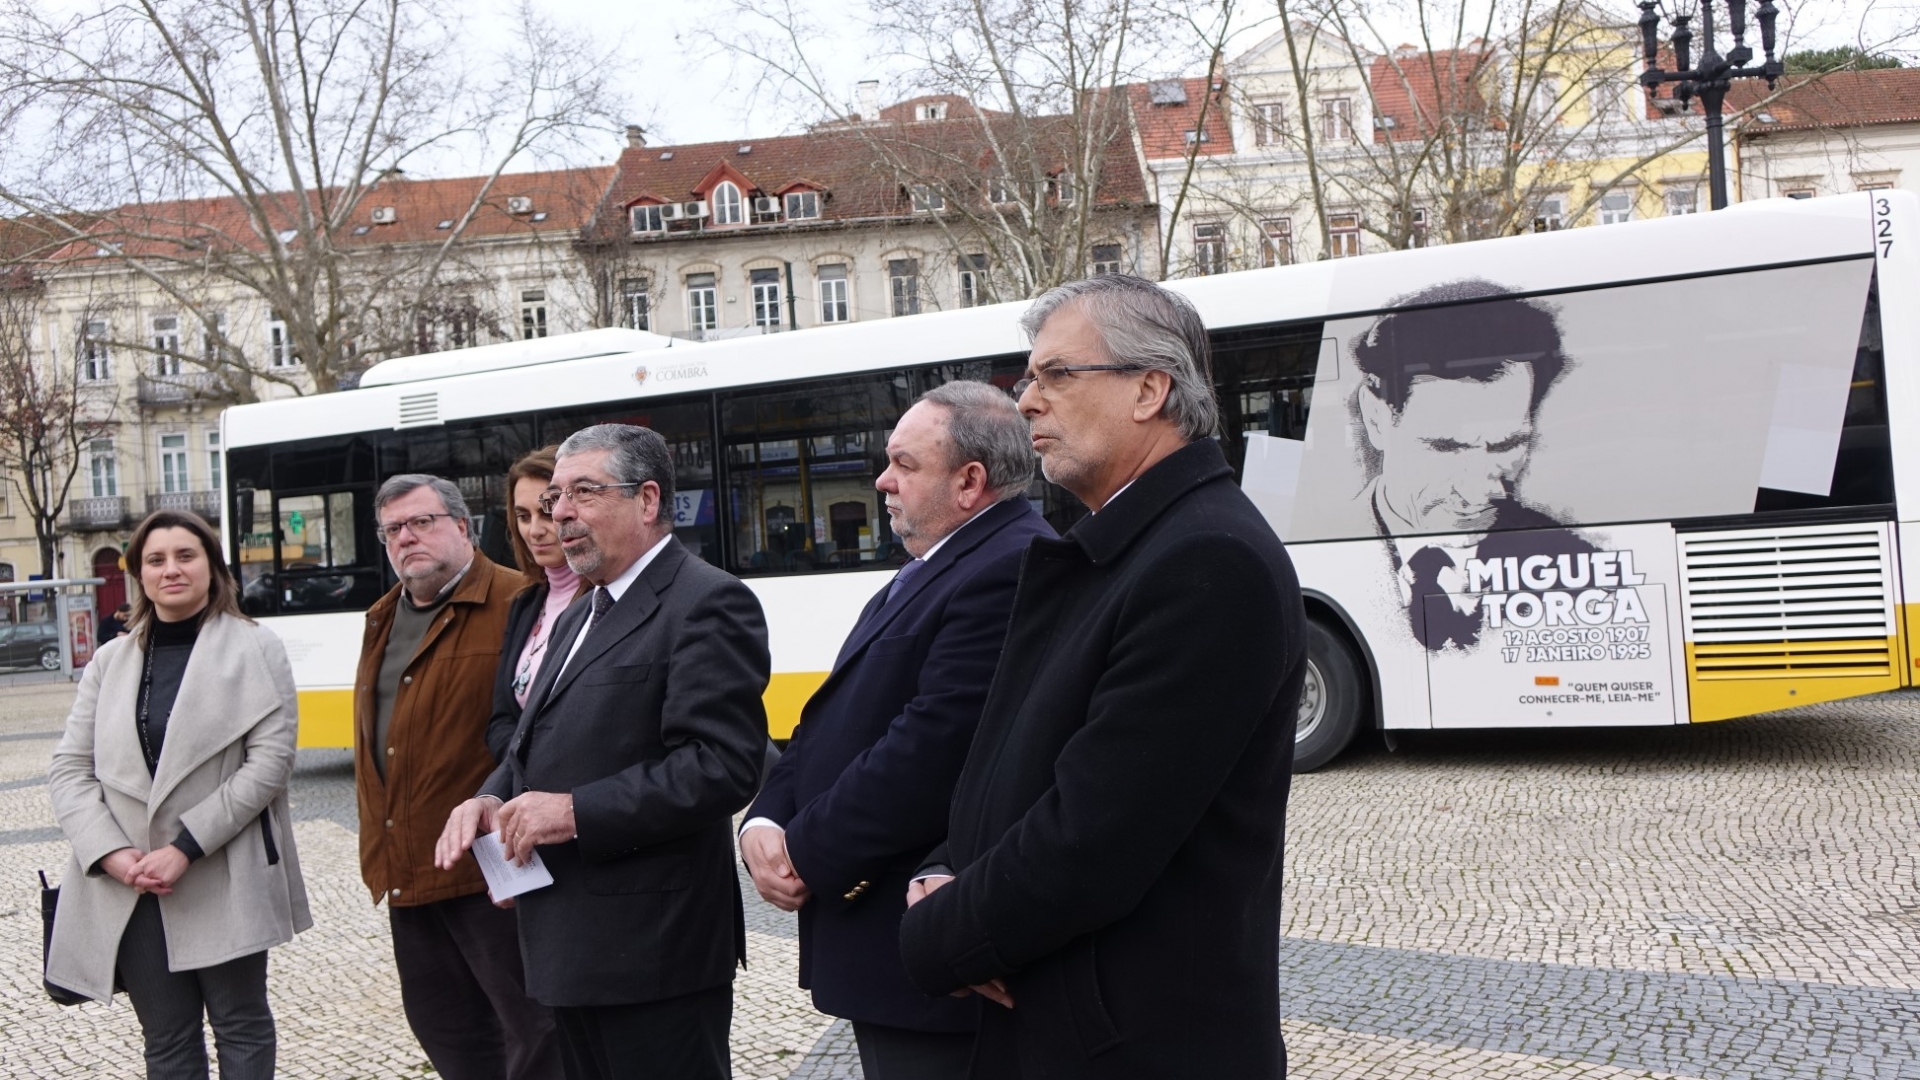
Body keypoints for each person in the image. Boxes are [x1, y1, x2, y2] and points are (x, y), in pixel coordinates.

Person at [897, 275, 1306, 1079]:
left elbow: (1093, 838)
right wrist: (945, 866)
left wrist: (935, 934)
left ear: (1150, 389)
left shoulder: (1204, 560)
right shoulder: (1120, 546)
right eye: (1027, 379)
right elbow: (1012, 769)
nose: (1026, 402)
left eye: (1055, 375)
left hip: (1136, 1042)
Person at [435, 424, 771, 1080]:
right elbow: (532, 741)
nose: (559, 512)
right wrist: (489, 799)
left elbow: (724, 764)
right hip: (569, 944)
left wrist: (572, 812)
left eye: (583, 493)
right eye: (556, 495)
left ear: (648, 501)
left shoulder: (707, 602)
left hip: (655, 951)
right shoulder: (576, 612)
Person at [740, 382, 1052, 1080]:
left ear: (970, 481)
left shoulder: (1008, 565)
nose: (882, 480)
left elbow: (934, 746)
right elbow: (832, 718)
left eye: (904, 464)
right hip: (892, 954)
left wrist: (806, 852)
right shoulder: (933, 566)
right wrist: (763, 819)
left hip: (929, 957)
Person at [46, 510, 310, 1079]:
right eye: (156, 560)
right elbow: (69, 768)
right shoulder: (109, 662)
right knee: (165, 1039)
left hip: (222, 865)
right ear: (139, 574)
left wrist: (186, 846)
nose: (171, 570)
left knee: (240, 1024)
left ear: (212, 567)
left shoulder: (256, 647)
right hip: (133, 881)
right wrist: (113, 856)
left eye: (185, 556)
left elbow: (270, 764)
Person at [354, 473, 561, 1080]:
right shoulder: (382, 615)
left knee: (532, 1031)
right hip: (410, 871)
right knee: (447, 1032)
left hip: (495, 871)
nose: (407, 538)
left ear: (463, 527)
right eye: (394, 529)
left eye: (422, 522)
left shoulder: (518, 601)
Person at [1347, 280, 1592, 651]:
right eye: (1446, 448)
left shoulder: (1574, 557)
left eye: (1508, 445)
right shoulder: (1320, 554)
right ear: (1377, 418)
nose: (1482, 491)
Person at [488, 447, 589, 762]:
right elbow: (501, 718)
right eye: (522, 516)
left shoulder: (603, 598)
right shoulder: (526, 602)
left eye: (547, 511)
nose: (534, 530)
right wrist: (521, 767)